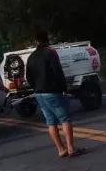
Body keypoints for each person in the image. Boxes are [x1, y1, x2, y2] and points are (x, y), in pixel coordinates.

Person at [25, 30, 83, 158]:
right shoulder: (50, 52)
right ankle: (71, 148)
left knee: (50, 122)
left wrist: (36, 87)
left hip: (39, 93)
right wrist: (63, 87)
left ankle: (61, 149)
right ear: (47, 40)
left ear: (35, 42)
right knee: (65, 119)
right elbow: (57, 71)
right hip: (53, 91)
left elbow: (28, 77)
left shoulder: (31, 57)